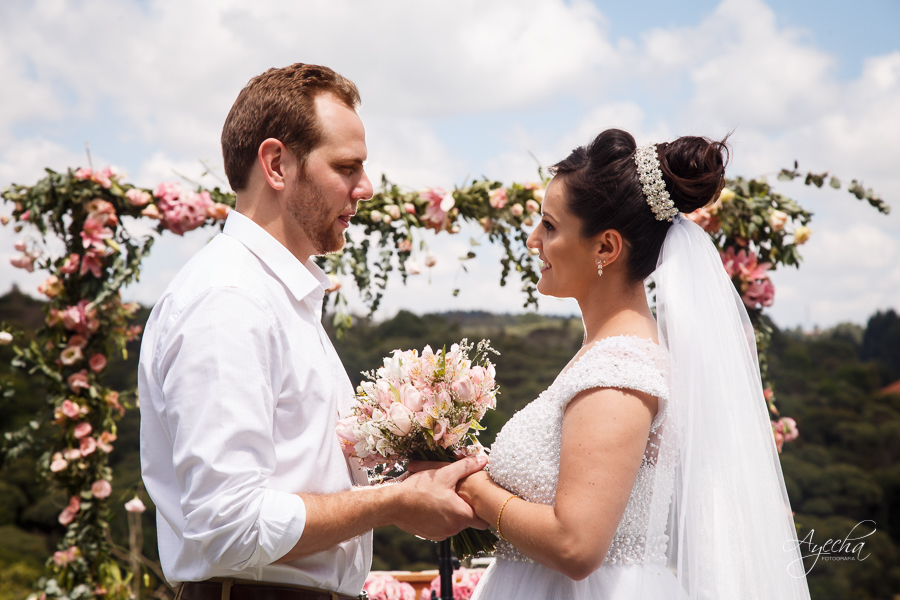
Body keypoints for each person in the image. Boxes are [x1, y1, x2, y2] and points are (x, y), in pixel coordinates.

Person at [138, 63, 488, 600]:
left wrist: (412, 483)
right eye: (347, 167)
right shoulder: (229, 300)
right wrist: (396, 502)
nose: (366, 188)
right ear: (277, 165)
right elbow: (229, 528)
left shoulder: (276, 296)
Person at [453, 129, 812, 599]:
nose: (532, 239)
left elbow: (576, 545)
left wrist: (476, 489)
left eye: (550, 226)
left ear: (606, 248)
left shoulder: (618, 372)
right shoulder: (609, 354)